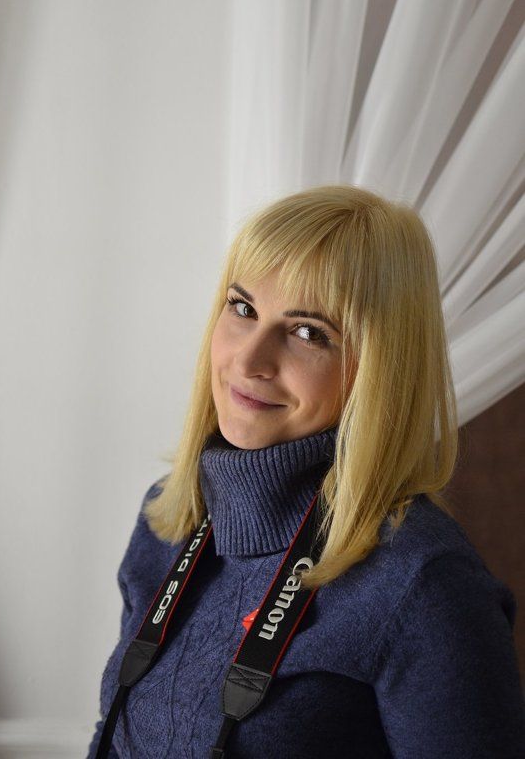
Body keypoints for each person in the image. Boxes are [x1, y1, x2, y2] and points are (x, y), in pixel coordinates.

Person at [87, 184, 525, 758]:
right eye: (243, 309)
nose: (249, 360)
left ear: (379, 368)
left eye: (308, 333)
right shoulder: (170, 517)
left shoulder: (423, 581)